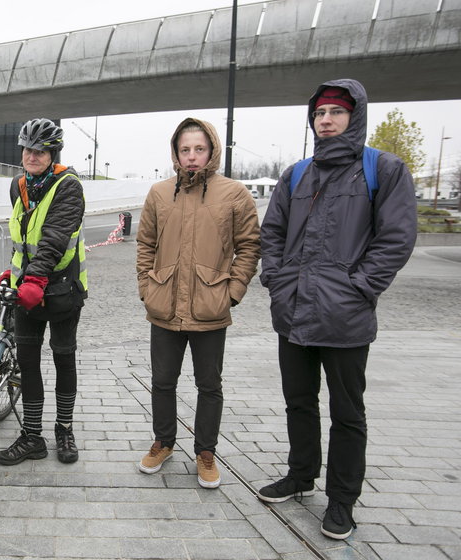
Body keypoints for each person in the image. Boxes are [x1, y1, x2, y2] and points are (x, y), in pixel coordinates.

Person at [256, 79, 417, 540]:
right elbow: (273, 232)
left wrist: (360, 287)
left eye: (336, 112)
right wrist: (278, 279)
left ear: (354, 117)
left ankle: (342, 500)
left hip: (345, 318)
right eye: (319, 113)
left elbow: (397, 238)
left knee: (347, 412)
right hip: (294, 313)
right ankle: (300, 474)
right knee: (298, 402)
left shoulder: (382, 169)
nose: (325, 120)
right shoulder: (296, 173)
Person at [135, 118, 260, 488]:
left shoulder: (234, 194)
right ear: (176, 152)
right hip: (165, 305)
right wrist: (147, 286)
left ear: (212, 150)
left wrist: (232, 292)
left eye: (199, 149)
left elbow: (250, 246)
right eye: (185, 149)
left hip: (210, 306)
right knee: (162, 381)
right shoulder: (159, 193)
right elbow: (145, 244)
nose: (192, 157)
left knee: (209, 385)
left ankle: (206, 452)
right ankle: (163, 442)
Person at [0, 118, 88, 466]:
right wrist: (13, 270)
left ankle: (64, 429)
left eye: (40, 151)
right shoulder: (17, 186)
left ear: (52, 153)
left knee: (63, 357)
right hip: (28, 291)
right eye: (28, 150)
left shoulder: (68, 186)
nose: (32, 156)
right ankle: (32, 435)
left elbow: (53, 239)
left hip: (62, 289)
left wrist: (34, 281)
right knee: (27, 361)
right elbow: (24, 238)